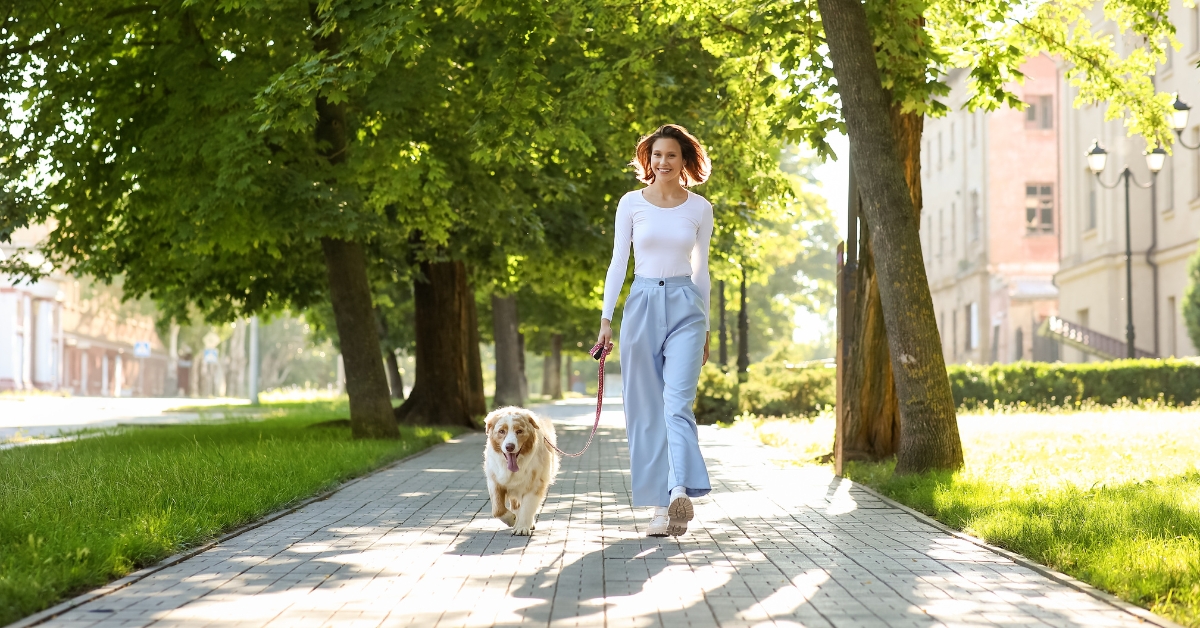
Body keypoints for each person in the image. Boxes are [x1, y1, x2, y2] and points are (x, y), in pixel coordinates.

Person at [596, 123, 713, 538]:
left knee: (676, 405)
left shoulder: (699, 208)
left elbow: (702, 271)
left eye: (671, 156)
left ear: (684, 162)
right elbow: (617, 264)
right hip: (642, 305)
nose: (663, 162)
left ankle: (679, 488)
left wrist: (707, 328)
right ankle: (660, 509)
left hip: (686, 307)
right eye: (656, 155)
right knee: (645, 411)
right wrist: (606, 319)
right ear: (649, 160)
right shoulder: (631, 203)